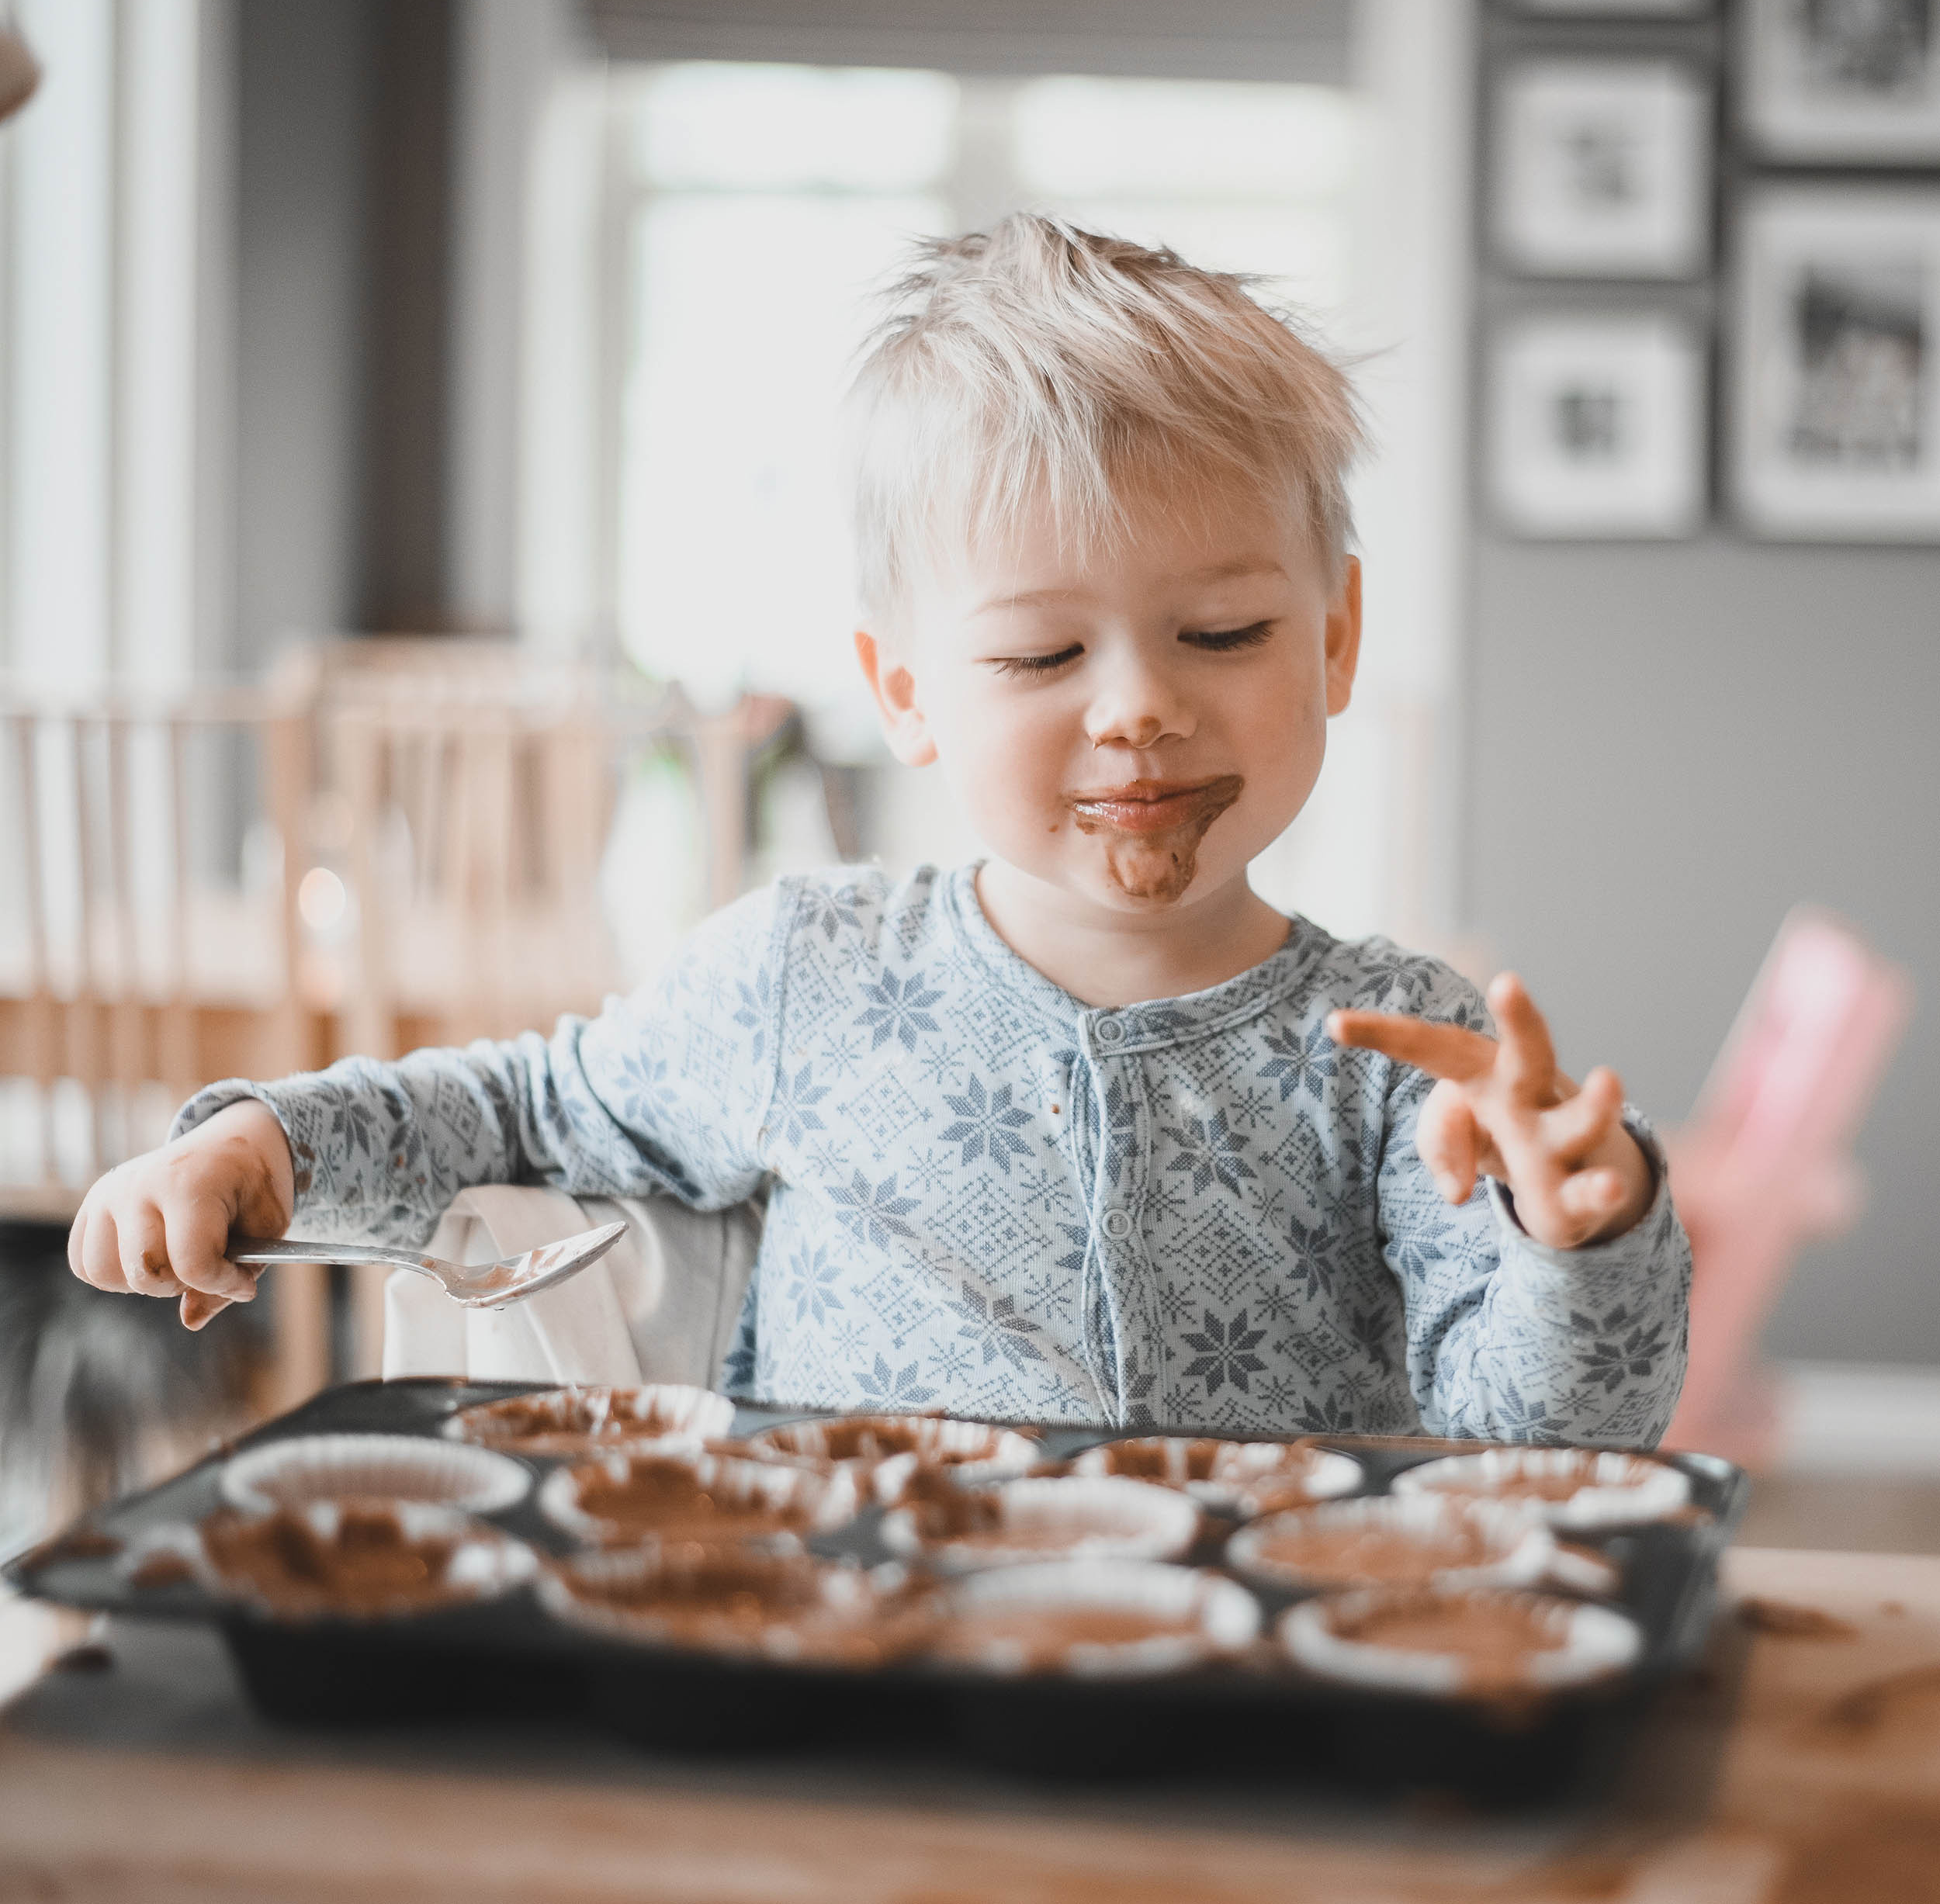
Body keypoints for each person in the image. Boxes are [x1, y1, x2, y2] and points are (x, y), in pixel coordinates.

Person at [68, 218, 1688, 1442]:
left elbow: (1541, 1449)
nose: (1133, 709)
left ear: (1331, 640)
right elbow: (520, 1108)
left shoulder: (1411, 1059)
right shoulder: (805, 975)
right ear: (904, 690)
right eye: (1041, 655)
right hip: (849, 1666)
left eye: (1219, 635)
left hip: (1253, 1728)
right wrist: (261, 1140)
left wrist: (1580, 1230)